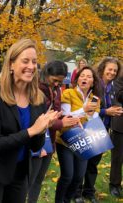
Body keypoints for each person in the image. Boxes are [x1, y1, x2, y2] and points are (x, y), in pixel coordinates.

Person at [0, 38, 59, 203]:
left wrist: (43, 128)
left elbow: (35, 145)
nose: (31, 66)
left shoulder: (38, 99)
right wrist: (33, 130)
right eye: (25, 61)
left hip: (19, 175)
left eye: (34, 62)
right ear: (11, 65)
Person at [27, 61, 80, 203]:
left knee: (39, 179)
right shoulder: (36, 88)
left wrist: (67, 118)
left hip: (49, 140)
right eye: (55, 80)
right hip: (37, 140)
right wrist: (61, 123)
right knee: (29, 180)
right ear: (46, 73)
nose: (57, 84)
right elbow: (37, 117)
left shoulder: (56, 89)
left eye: (60, 81)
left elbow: (55, 112)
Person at [75, 57, 123, 203]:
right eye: (110, 69)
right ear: (102, 69)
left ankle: (89, 192)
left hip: (103, 128)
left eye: (115, 70)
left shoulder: (111, 88)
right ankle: (77, 192)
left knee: (94, 163)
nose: (112, 72)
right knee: (84, 161)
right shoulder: (96, 86)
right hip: (90, 127)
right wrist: (106, 112)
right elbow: (90, 110)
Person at [55, 66, 101, 203]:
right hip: (66, 140)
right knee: (67, 176)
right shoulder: (68, 93)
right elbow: (66, 116)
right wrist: (84, 111)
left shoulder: (95, 99)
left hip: (83, 141)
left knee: (78, 176)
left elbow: (94, 119)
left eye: (88, 76)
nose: (85, 78)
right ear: (77, 79)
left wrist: (89, 116)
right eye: (82, 76)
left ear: (93, 82)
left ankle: (67, 200)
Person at [109, 61, 123, 198]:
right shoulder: (120, 74)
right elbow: (119, 96)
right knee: (118, 157)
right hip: (121, 123)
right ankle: (114, 184)